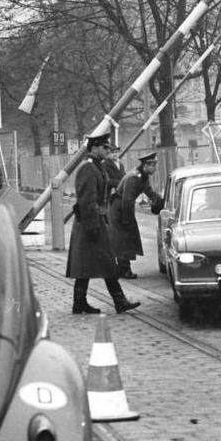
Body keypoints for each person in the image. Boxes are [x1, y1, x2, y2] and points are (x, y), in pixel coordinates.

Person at [66, 133, 140, 314]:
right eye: (105, 147)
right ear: (94, 148)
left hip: (95, 221)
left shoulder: (97, 167)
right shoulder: (89, 168)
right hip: (90, 223)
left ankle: (80, 302)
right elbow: (87, 200)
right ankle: (118, 301)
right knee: (105, 262)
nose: (108, 150)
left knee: (90, 264)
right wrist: (93, 227)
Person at [108, 151, 164, 279]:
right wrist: (127, 221)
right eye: (153, 166)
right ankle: (124, 270)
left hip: (122, 206)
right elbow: (127, 200)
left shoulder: (142, 176)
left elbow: (149, 191)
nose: (155, 169)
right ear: (146, 165)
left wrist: (160, 201)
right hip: (119, 208)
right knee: (123, 238)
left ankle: (122, 268)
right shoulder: (134, 177)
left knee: (126, 237)